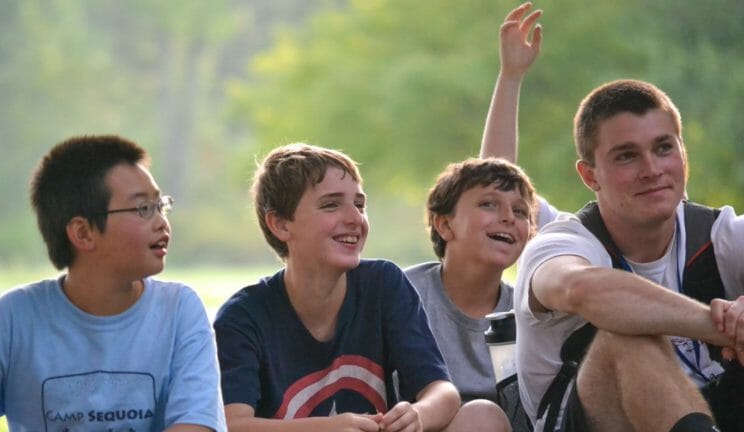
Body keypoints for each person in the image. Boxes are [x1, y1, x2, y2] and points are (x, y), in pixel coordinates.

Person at [213, 143, 510, 432]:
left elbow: (442, 392)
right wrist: (326, 429)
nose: (355, 218)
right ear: (280, 224)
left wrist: (418, 415)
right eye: (331, 205)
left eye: (359, 204)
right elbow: (232, 424)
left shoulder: (383, 283)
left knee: (483, 417)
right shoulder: (243, 317)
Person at [512, 74, 744, 431]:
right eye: (626, 157)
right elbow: (583, 290)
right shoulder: (561, 244)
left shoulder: (721, 233)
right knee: (624, 335)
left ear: (683, 153)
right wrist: (726, 330)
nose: (652, 170)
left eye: (664, 148)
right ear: (590, 176)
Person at [0, 135, 225, 431]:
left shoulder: (179, 310)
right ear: (82, 233)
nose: (161, 222)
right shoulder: (13, 320)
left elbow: (196, 424)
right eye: (143, 208)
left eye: (161, 205)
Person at [404, 1, 556, 407]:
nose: (509, 215)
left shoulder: (528, 314)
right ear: (444, 224)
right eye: (489, 205)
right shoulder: (404, 295)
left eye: (522, 212)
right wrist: (509, 76)